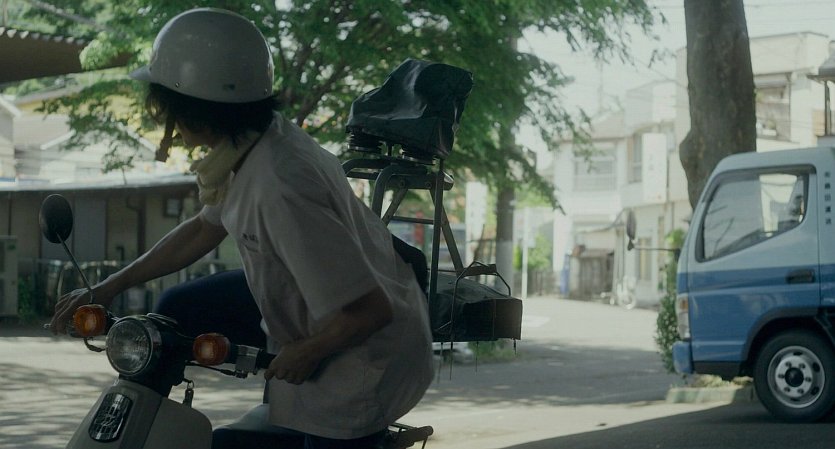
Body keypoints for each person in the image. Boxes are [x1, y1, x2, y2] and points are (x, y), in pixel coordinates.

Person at [50, 7, 434, 448]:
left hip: (367, 357)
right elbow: (202, 230)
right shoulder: (247, 145)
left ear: (192, 113)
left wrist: (306, 352)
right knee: (175, 309)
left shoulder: (279, 186)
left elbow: (370, 312)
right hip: (321, 304)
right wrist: (109, 287)